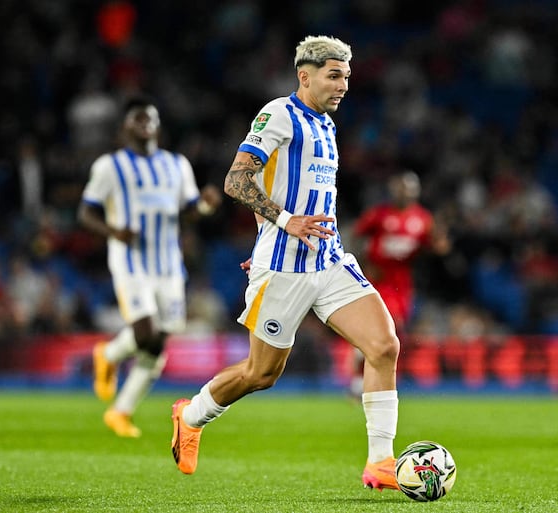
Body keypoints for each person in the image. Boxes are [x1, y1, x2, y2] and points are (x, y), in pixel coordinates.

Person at [170, 35, 402, 491]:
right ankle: (191, 415)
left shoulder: (327, 127)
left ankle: (380, 462)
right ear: (305, 76)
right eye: (334, 76)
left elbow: (284, 186)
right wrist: (281, 225)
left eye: (347, 77)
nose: (343, 86)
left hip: (329, 259)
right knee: (262, 374)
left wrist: (271, 226)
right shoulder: (279, 114)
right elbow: (237, 180)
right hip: (283, 268)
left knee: (384, 346)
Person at [78, 95, 221, 438]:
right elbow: (86, 213)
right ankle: (110, 355)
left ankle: (120, 409)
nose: (145, 123)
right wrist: (114, 232)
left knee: (157, 344)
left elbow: (189, 210)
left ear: (157, 125)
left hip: (169, 264)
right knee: (144, 333)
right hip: (131, 262)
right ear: (125, 127)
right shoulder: (109, 167)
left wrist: (204, 207)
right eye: (137, 118)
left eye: (150, 117)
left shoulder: (177, 164)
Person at [349, 171, 450, 396]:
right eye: (400, 188)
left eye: (408, 189)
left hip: (401, 282)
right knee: (381, 327)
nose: (404, 193)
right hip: (376, 279)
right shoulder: (379, 215)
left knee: (392, 331)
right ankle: (362, 381)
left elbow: (436, 247)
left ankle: (374, 381)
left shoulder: (423, 219)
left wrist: (440, 242)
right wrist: (362, 263)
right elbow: (355, 236)